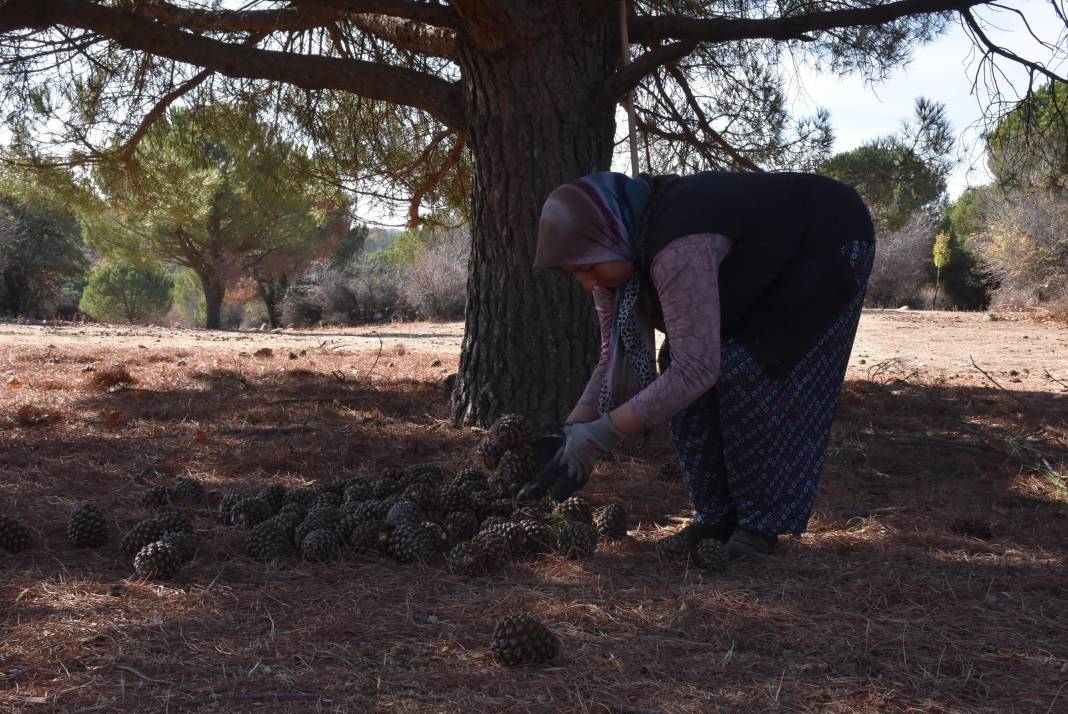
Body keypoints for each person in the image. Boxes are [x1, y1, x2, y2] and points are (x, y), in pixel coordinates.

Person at [520, 170, 875, 561]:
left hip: (824, 242)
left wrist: (598, 437)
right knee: (676, 361)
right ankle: (715, 519)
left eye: (588, 268)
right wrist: (570, 432)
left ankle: (760, 527)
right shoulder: (615, 257)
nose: (588, 284)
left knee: (749, 370)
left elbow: (698, 369)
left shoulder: (677, 246)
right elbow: (611, 362)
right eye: (576, 274)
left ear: (610, 234)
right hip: (759, 273)